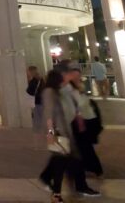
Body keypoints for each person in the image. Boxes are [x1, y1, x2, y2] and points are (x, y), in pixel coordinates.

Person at [38, 68, 100, 201]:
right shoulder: (49, 92)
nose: (64, 79)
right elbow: (48, 114)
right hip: (58, 132)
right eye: (62, 77)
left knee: (61, 162)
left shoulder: (57, 92)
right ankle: (56, 192)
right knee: (60, 164)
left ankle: (52, 186)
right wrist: (50, 132)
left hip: (65, 131)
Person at [68, 66, 104, 178]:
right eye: (75, 76)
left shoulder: (76, 89)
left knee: (84, 146)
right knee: (82, 146)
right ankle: (88, 168)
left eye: (78, 75)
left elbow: (79, 105)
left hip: (85, 121)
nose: (77, 77)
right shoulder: (73, 89)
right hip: (82, 120)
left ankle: (94, 168)